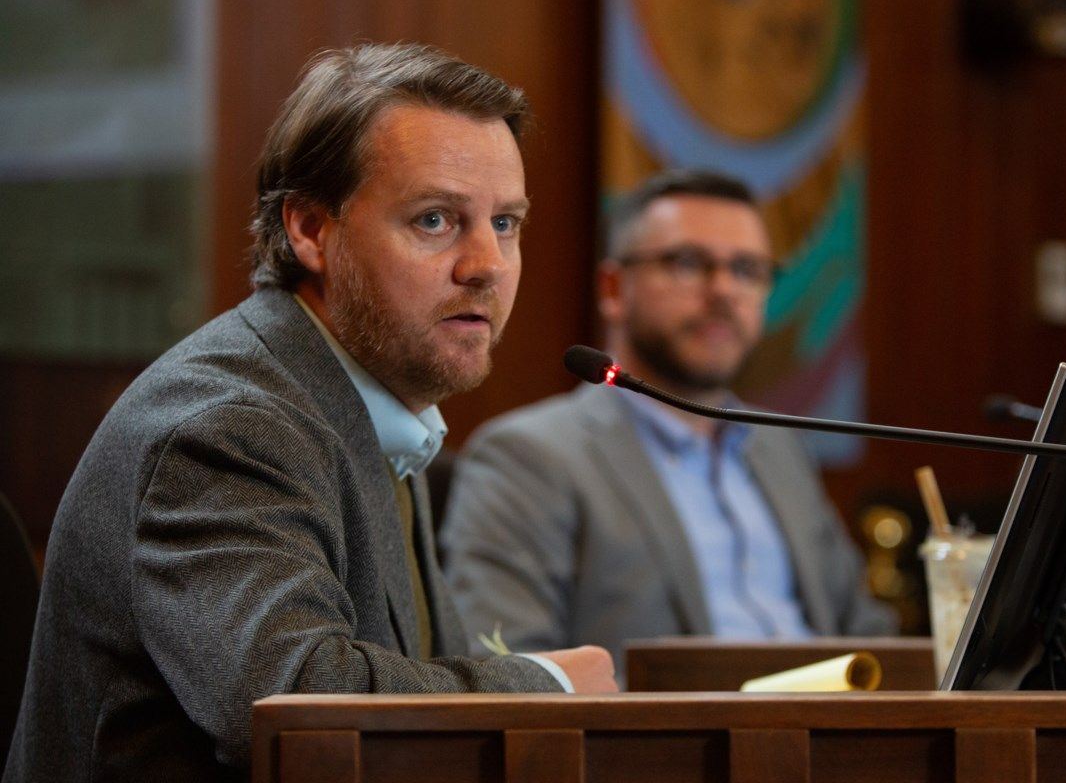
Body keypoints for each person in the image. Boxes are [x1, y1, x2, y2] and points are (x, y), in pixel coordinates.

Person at [4, 43, 615, 783]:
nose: (486, 264)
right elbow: (297, 700)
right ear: (310, 230)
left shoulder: (367, 404)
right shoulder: (228, 424)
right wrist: (546, 685)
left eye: (506, 223)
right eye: (435, 220)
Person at [440, 169, 896, 678]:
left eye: (747, 269)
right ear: (614, 288)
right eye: (688, 263)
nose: (723, 290)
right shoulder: (528, 457)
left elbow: (868, 634)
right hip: (669, 729)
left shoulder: (779, 446)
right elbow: (508, 670)